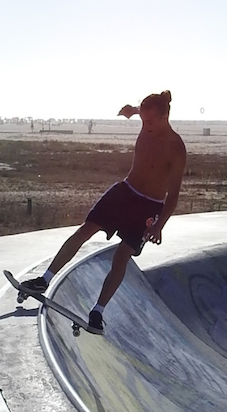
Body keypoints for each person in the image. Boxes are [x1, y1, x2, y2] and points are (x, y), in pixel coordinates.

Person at [18, 91, 186, 332]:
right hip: (125, 191)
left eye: (150, 122)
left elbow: (174, 195)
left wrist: (159, 226)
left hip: (149, 205)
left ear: (165, 116)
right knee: (86, 229)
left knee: (122, 255)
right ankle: (44, 280)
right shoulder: (147, 119)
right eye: (142, 120)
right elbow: (140, 112)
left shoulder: (176, 148)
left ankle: (98, 311)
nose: (145, 126)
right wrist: (132, 110)